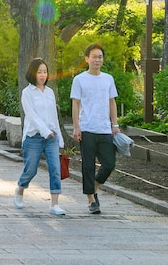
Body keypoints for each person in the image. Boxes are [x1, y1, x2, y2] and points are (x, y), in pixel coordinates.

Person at [70, 43, 119, 215]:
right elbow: (75, 104)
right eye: (94, 56)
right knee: (88, 165)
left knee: (109, 164)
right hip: (87, 129)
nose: (97, 60)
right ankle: (91, 199)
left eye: (100, 57)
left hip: (105, 129)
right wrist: (77, 127)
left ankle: (95, 186)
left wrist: (115, 125)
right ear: (87, 59)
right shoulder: (79, 79)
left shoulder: (108, 79)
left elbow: (112, 102)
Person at [13, 58, 66, 216]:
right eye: (39, 72)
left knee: (55, 169)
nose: (43, 75)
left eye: (45, 72)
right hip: (33, 137)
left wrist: (59, 137)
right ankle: (20, 188)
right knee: (31, 170)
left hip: (51, 137)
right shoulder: (27, 93)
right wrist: (44, 131)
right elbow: (32, 116)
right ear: (32, 73)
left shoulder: (49, 92)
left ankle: (54, 204)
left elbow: (54, 116)